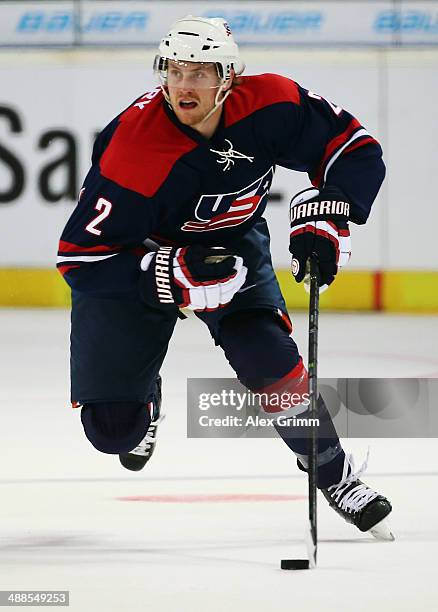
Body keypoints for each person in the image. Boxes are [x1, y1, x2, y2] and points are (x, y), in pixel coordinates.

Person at [58, 16, 393, 539]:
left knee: (270, 362)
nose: (183, 84)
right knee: (114, 433)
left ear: (229, 77)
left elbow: (353, 148)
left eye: (200, 72)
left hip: (230, 242)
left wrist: (331, 212)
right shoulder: (132, 148)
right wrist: (164, 276)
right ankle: (145, 395)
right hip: (137, 259)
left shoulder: (272, 104)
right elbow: (81, 259)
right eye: (174, 70)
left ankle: (333, 472)